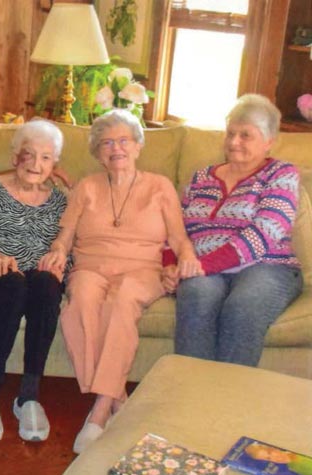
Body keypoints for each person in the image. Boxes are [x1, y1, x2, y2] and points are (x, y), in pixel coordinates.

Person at [40, 109, 200, 454]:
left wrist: (187, 256)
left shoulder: (159, 186)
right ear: (98, 152)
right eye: (107, 143)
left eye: (124, 141)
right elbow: (64, 235)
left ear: (138, 146)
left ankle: (98, 412)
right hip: (90, 266)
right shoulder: (86, 186)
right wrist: (56, 252)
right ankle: (117, 399)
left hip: (142, 270)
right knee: (79, 300)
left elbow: (178, 237)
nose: (116, 149)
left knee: (122, 300)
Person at [165, 94, 303, 367]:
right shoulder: (201, 177)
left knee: (243, 307)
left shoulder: (281, 173)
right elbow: (175, 227)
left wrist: (200, 265)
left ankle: (227, 400)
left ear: (269, 142)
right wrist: (170, 264)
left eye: (245, 135)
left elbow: (266, 231)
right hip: (202, 268)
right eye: (230, 133)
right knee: (196, 295)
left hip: (267, 266)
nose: (233, 142)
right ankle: (189, 393)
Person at [0, 120, 68, 443]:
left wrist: (59, 263)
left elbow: (67, 245)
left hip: (32, 274)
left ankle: (29, 396)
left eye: (46, 158)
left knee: (48, 285)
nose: (36, 164)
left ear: (55, 164)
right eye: (29, 154)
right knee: (13, 284)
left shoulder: (60, 201)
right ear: (14, 157)